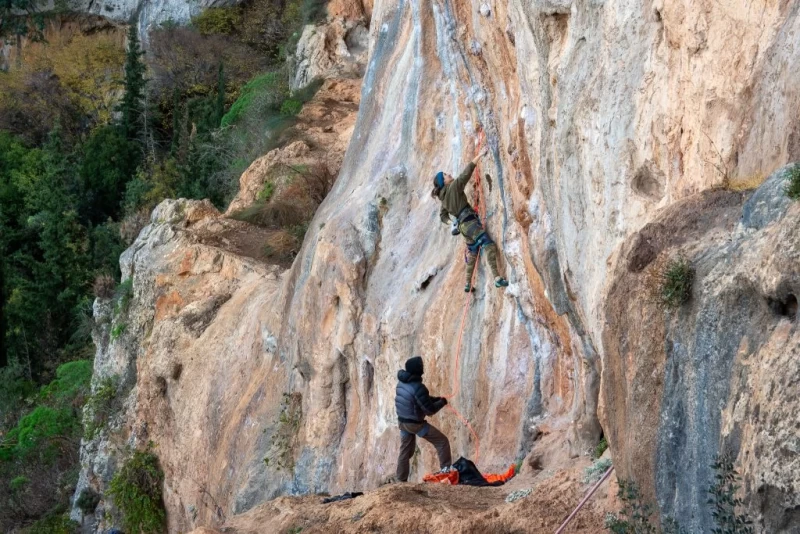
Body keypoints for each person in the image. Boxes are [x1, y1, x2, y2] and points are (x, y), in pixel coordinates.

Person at [432, 147, 509, 292]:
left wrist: (451, 222)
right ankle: (497, 278)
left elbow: (442, 216)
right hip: (470, 222)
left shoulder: (443, 200)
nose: (449, 174)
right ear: (444, 182)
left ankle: (467, 284)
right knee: (488, 245)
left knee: (473, 251)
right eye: (446, 175)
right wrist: (479, 155)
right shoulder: (453, 187)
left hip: (463, 227)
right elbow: (466, 173)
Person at [395, 356, 451, 482]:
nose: (423, 369)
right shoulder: (418, 387)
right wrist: (442, 402)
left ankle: (400, 481)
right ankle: (446, 472)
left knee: (405, 452)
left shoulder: (401, 382)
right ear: (417, 370)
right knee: (442, 442)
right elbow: (429, 410)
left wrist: (435, 399)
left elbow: (418, 399)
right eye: (421, 366)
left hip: (402, 422)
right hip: (415, 424)